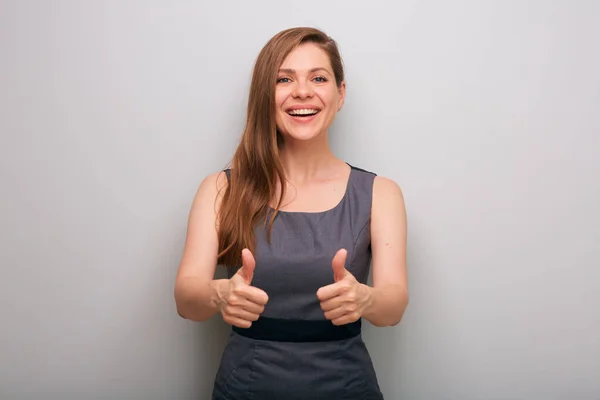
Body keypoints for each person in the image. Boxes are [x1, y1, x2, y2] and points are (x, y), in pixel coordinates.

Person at [174, 26, 408, 400]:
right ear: (266, 94)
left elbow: (393, 304)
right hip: (245, 388)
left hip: (347, 388)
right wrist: (218, 294)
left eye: (318, 78)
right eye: (285, 79)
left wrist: (366, 299)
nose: (302, 91)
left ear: (340, 93)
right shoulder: (219, 189)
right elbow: (186, 299)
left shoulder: (382, 193)